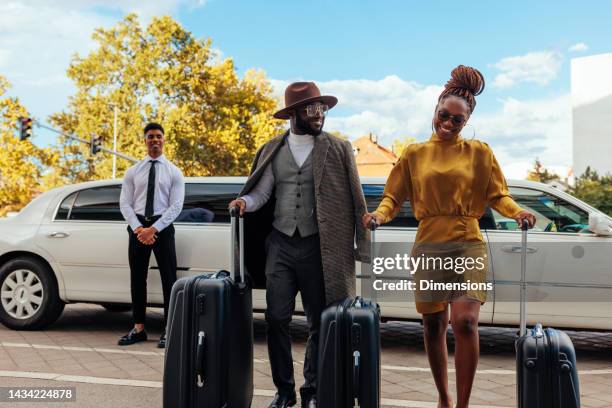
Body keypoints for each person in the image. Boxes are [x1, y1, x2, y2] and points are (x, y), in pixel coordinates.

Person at [363, 66, 536, 408]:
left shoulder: (479, 152)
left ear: (466, 122)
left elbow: (498, 194)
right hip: (428, 242)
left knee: (466, 322)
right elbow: (393, 198)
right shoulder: (414, 154)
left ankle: (463, 404)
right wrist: (379, 215)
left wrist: (517, 212)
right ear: (436, 109)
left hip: (467, 240)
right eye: (444, 114)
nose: (448, 123)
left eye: (457, 120)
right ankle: (443, 396)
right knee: (433, 325)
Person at [229, 82, 369, 408]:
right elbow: (260, 193)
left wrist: (362, 246)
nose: (319, 114)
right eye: (311, 109)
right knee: (276, 318)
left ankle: (313, 392)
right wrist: (243, 204)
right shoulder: (271, 150)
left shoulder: (338, 148)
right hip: (280, 244)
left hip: (319, 247)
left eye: (322, 108)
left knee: (319, 322)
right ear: (293, 114)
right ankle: (284, 391)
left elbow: (356, 199)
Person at [118, 122, 185, 349]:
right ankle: (138, 329)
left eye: (158, 136)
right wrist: (139, 228)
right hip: (137, 228)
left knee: (169, 279)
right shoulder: (133, 171)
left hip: (162, 230)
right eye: (150, 137)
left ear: (164, 140)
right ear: (144, 141)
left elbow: (176, 206)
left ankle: (169, 330)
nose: (154, 140)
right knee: (137, 279)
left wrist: (153, 229)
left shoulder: (174, 172)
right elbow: (125, 203)